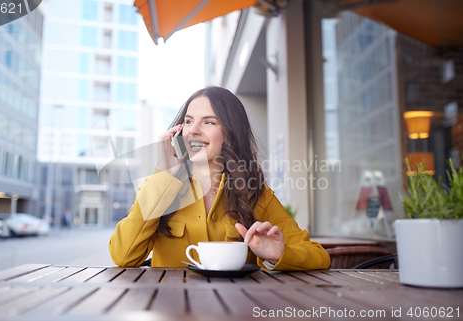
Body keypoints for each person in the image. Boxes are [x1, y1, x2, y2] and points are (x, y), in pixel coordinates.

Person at [109, 86, 330, 271]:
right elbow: (123, 256)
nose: (193, 130)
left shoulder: (255, 193)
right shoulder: (158, 186)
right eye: (188, 121)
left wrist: (278, 253)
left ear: (230, 134)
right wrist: (164, 178)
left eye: (209, 122)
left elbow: (318, 257)